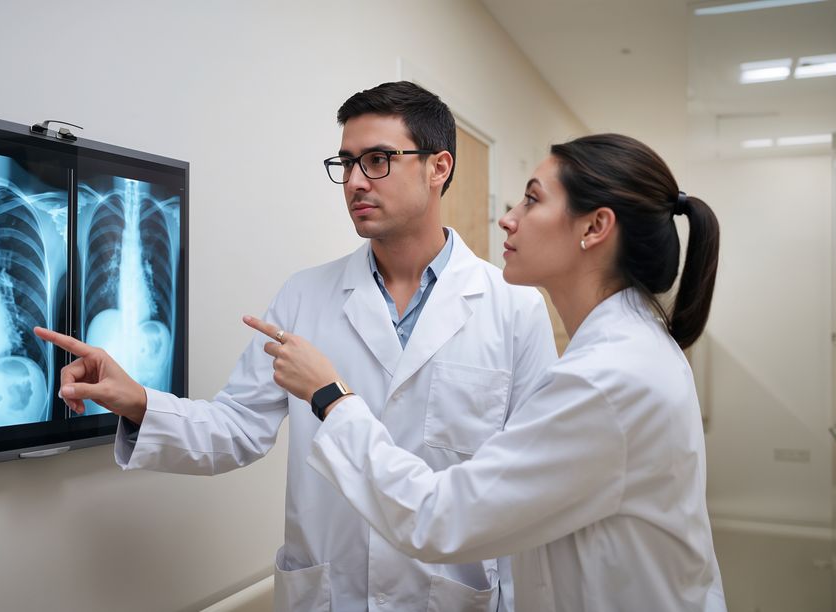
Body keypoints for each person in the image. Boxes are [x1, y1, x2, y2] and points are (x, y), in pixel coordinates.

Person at [35, 81, 558, 611]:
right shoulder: (306, 295)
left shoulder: (514, 310)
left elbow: (531, 486)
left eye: (377, 160)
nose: (355, 182)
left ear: (438, 167)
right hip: (333, 594)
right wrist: (136, 400)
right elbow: (236, 428)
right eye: (346, 163)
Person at [244, 133, 728, 611]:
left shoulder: (607, 378)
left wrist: (330, 396)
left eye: (532, 200)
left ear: (595, 226)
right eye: (347, 163)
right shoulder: (627, 352)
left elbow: (439, 517)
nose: (508, 218)